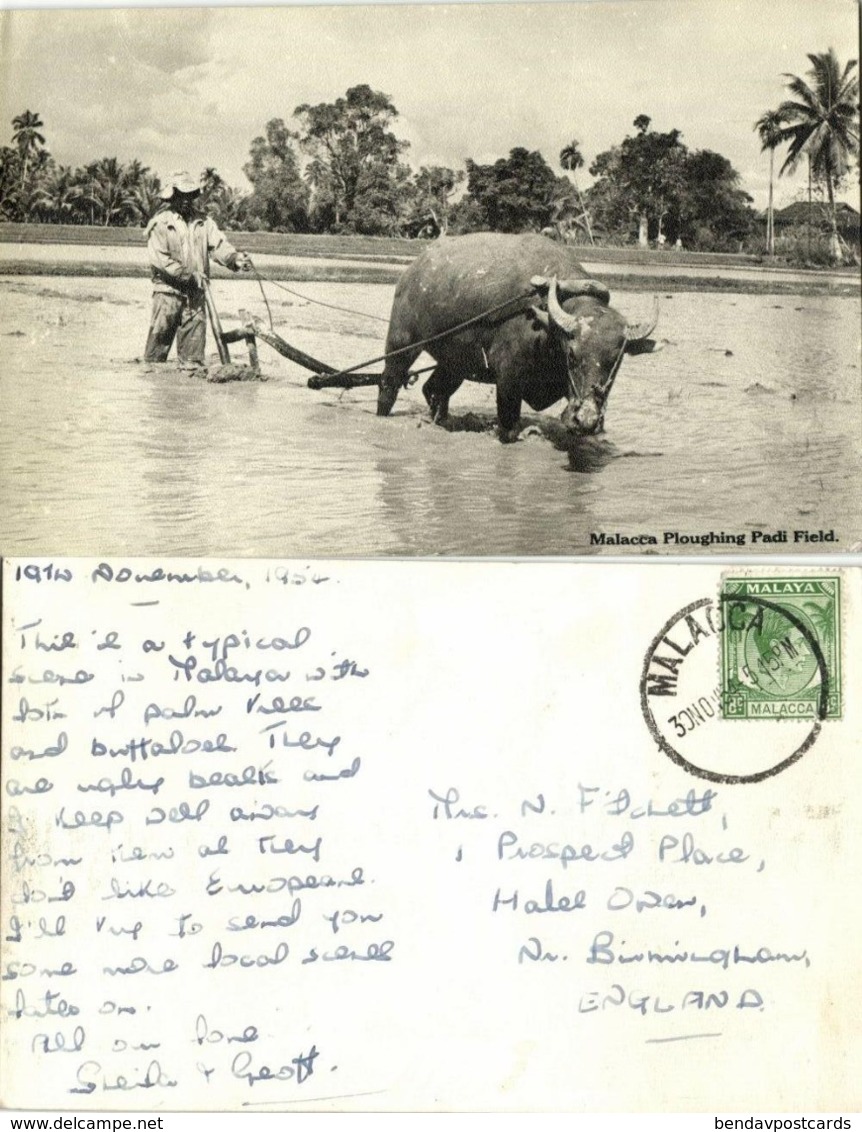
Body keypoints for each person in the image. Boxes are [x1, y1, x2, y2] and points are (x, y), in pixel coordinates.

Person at [144, 171, 252, 365]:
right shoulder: (160, 224)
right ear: (172, 196)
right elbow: (161, 262)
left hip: (195, 295)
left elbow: (218, 246)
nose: (185, 200)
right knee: (154, 359)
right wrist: (189, 275)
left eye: (189, 195)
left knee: (193, 362)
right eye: (180, 195)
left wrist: (234, 258)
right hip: (167, 295)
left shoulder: (204, 222)